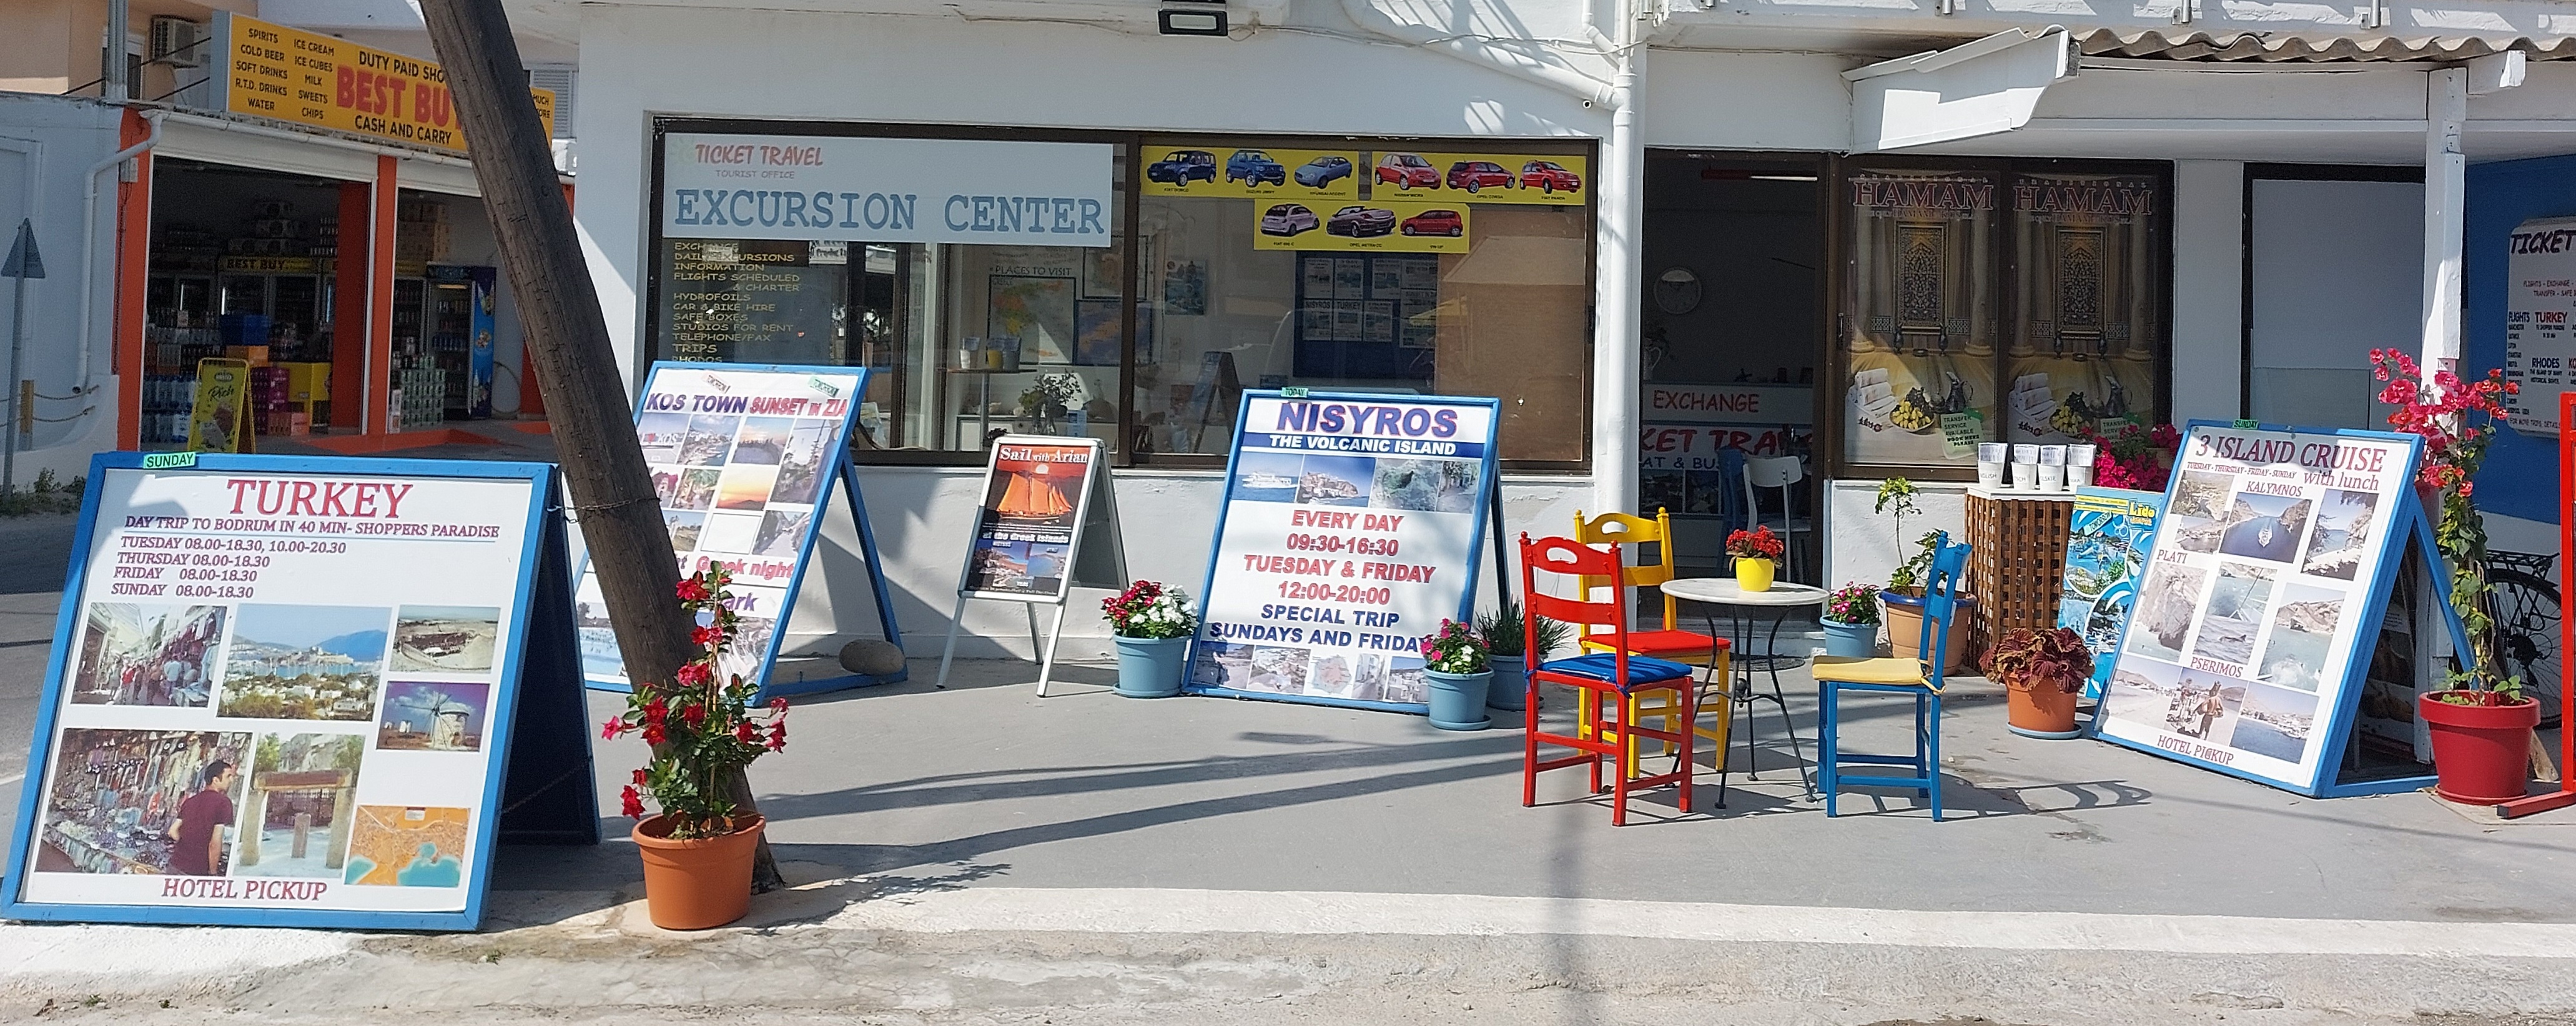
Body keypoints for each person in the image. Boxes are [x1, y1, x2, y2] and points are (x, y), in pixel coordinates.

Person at [167, 759, 237, 877]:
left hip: (175, 865)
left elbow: (172, 831)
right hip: (196, 872)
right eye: (228, 776)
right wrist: (213, 873)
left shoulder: (190, 801)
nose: (231, 780)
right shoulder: (223, 803)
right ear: (216, 780)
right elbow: (215, 843)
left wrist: (188, 845)